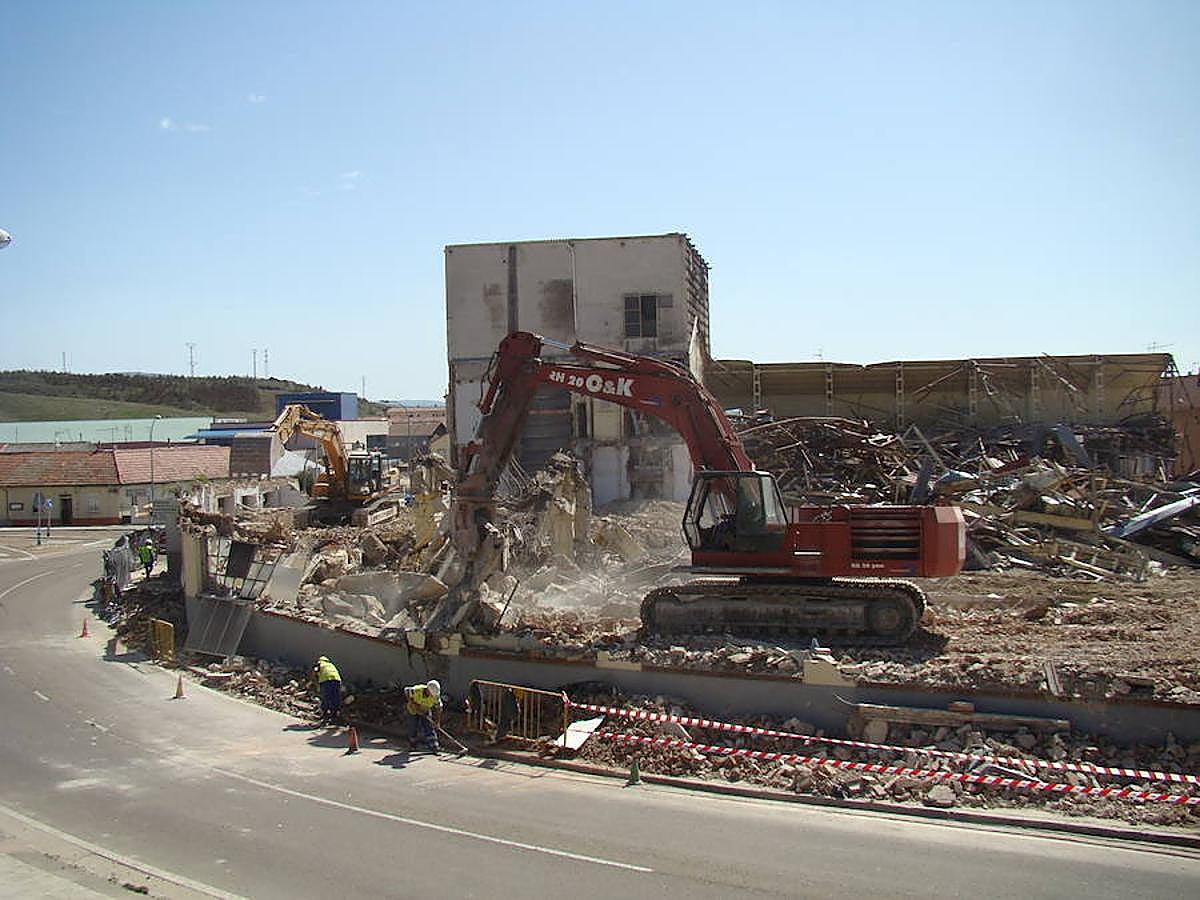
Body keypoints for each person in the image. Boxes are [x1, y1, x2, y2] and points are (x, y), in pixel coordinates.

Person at [404, 679, 442, 752]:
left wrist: (437, 721)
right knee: (413, 726)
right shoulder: (417, 690)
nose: (432, 695)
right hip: (413, 711)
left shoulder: (436, 696)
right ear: (427, 690)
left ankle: (433, 745)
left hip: (425, 711)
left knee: (428, 726)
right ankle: (413, 744)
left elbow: (439, 708)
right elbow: (406, 691)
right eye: (431, 693)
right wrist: (413, 703)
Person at [312, 655, 343, 725]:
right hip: (337, 680)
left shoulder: (320, 664)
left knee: (326, 697)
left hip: (326, 681)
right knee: (335, 697)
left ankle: (325, 714)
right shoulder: (330, 665)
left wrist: (315, 682)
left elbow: (315, 671)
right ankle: (335, 715)